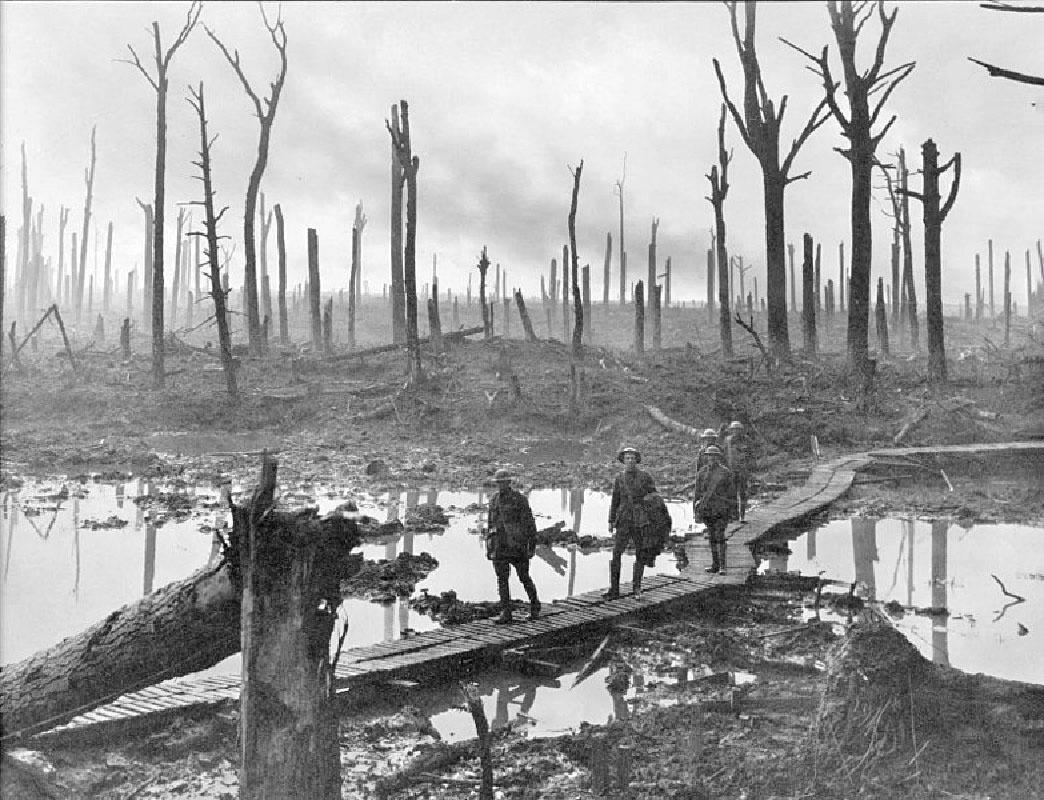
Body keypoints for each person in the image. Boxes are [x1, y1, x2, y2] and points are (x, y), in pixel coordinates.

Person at [485, 468, 540, 624]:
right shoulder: (494, 500)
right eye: (499, 483)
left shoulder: (519, 499)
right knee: (502, 580)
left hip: (517, 546)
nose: (501, 485)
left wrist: (531, 546)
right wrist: (489, 547)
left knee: (524, 577)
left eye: (504, 482)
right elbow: (490, 525)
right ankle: (506, 613)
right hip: (499, 546)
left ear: (509, 482)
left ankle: (535, 607)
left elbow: (530, 524)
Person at [606, 446, 657, 599]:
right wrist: (610, 520)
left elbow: (654, 496)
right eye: (627, 458)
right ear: (623, 461)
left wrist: (648, 509)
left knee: (640, 553)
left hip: (640, 520)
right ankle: (614, 589)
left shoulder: (645, 477)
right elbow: (615, 500)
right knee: (616, 554)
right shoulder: (619, 478)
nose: (630, 461)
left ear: (637, 460)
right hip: (623, 520)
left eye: (632, 458)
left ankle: (637, 588)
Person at [692, 445, 734, 574]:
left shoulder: (725, 472)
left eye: (714, 456)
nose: (711, 458)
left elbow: (731, 493)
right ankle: (715, 565)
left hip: (721, 509)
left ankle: (722, 566)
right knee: (711, 537)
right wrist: (696, 511)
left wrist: (732, 511)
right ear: (706, 457)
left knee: (720, 536)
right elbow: (697, 493)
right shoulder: (702, 472)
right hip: (707, 509)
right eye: (709, 455)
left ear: (718, 458)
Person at [724, 420, 755, 520]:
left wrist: (749, 469)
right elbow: (724, 455)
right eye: (734, 430)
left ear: (741, 430)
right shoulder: (728, 440)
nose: (736, 432)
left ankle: (742, 515)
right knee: (731, 493)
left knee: (742, 493)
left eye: (738, 430)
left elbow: (751, 456)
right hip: (731, 470)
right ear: (731, 430)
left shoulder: (746, 440)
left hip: (742, 471)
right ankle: (734, 515)